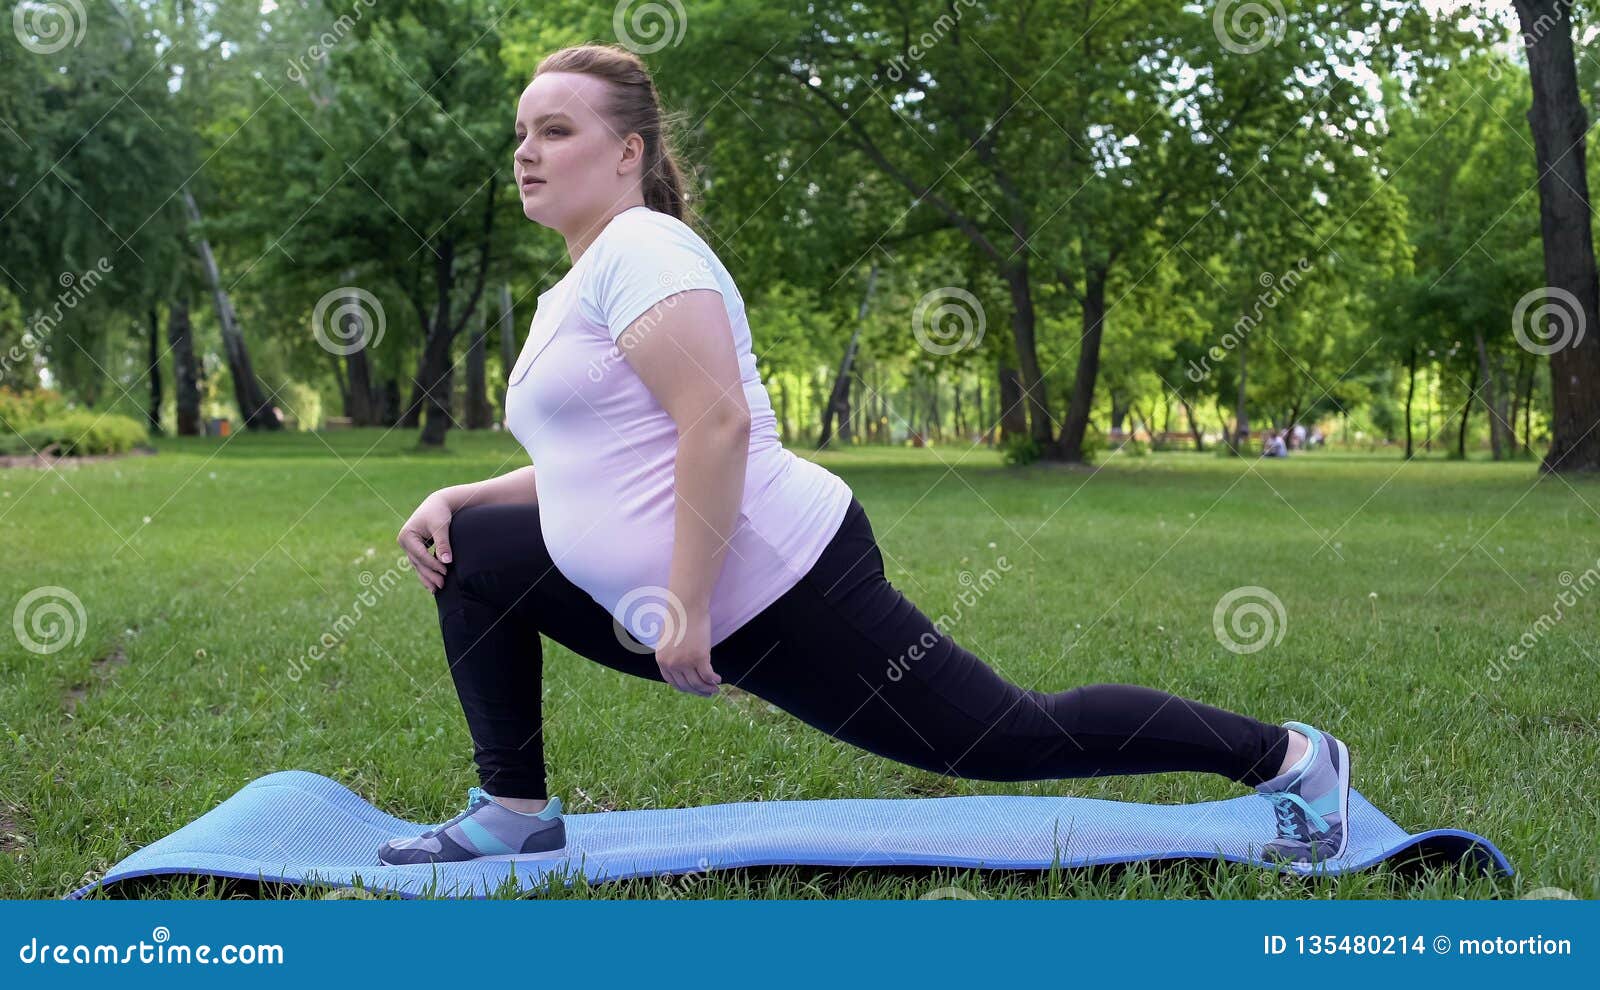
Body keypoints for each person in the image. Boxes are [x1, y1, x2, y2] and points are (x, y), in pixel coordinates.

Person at [378, 44, 1352, 870]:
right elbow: (605, 461)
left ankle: (1288, 756)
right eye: (520, 132)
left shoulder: (643, 249)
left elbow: (714, 425)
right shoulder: (579, 281)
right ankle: (514, 812)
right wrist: (460, 492)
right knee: (475, 548)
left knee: (999, 736)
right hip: (689, 591)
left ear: (628, 151)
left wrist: (684, 606)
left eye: (555, 130)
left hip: (776, 578)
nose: (525, 151)